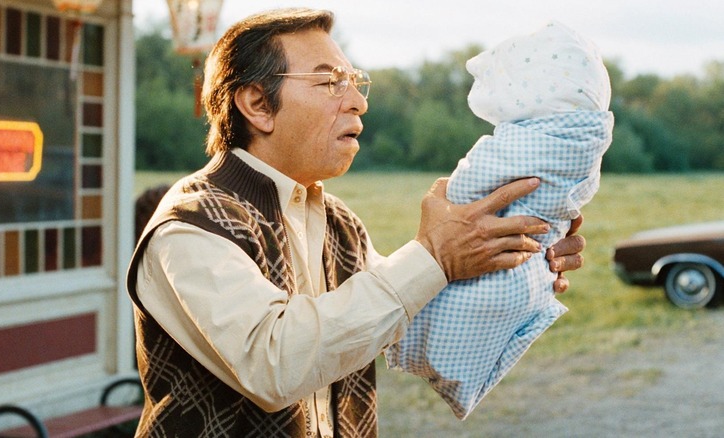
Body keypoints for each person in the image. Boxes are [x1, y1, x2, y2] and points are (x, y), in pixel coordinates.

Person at [126, 8, 586, 437]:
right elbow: (274, 364)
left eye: (354, 81)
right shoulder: (189, 226)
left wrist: (519, 264)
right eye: (329, 82)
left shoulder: (339, 221)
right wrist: (435, 256)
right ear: (257, 105)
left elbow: (403, 326)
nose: (357, 103)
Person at [385, 21, 614, 419]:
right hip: (530, 273)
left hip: (507, 261)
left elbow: (467, 187)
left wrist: (452, 201)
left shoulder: (515, 146)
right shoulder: (586, 144)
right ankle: (454, 377)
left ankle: (428, 360)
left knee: (456, 316)